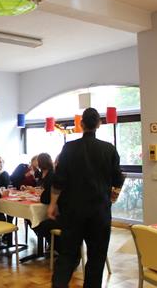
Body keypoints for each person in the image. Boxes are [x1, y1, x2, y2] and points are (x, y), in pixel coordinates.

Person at [47, 108, 125, 288]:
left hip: (73, 211)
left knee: (67, 255)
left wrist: (52, 204)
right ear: (99, 124)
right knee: (96, 258)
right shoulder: (108, 149)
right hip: (99, 212)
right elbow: (118, 178)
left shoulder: (69, 148)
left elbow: (58, 181)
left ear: (81, 124)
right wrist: (113, 195)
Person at [30, 153, 60, 246]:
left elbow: (46, 197)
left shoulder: (52, 175)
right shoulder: (43, 173)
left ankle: (56, 246)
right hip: (55, 208)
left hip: (63, 213)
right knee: (30, 218)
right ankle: (52, 244)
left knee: (39, 224)